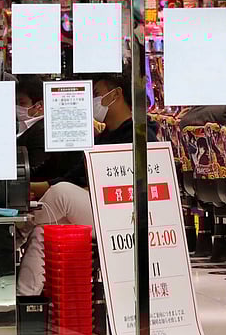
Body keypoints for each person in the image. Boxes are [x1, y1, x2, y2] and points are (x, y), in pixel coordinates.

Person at [17, 72, 157, 296]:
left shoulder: (139, 136)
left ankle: (14, 236)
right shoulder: (105, 136)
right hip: (98, 207)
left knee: (61, 192)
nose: (93, 101)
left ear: (117, 94)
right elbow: (79, 175)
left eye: (97, 94)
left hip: (123, 215)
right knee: (43, 232)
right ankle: (25, 296)